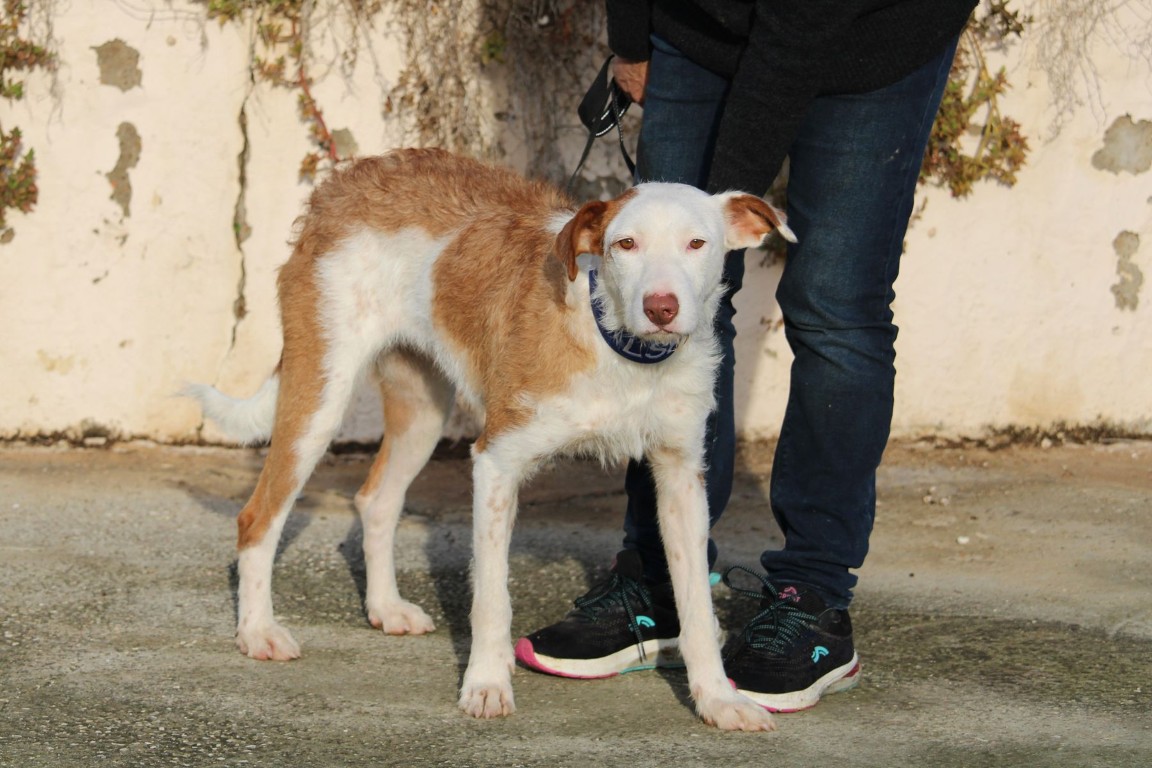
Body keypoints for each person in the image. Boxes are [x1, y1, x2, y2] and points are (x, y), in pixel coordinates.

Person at [517, 0, 977, 712]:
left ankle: (814, 596)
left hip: (874, 35)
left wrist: (712, 212)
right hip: (697, 28)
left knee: (835, 307)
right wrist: (632, 39)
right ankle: (660, 580)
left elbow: (802, 25)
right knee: (669, 308)